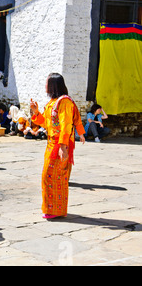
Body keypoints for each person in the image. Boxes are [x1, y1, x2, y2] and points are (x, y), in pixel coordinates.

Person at [30, 73, 86, 219]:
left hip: (60, 144)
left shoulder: (64, 102)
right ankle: (52, 209)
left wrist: (63, 146)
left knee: (55, 177)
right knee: (48, 177)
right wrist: (36, 112)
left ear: (53, 85)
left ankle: (56, 210)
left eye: (47, 83)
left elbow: (66, 124)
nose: (45, 86)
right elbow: (46, 124)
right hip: (51, 144)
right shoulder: (52, 102)